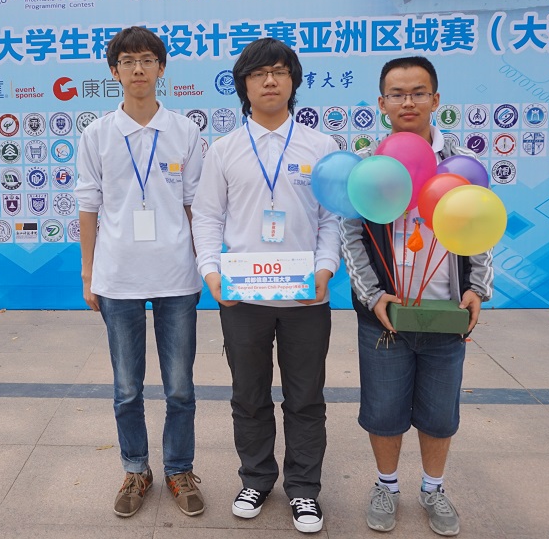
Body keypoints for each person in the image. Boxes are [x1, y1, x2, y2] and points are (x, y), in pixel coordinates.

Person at [191, 38, 341, 533]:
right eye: (258, 74)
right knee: (248, 395)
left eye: (279, 71)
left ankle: (304, 490)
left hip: (306, 297)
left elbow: (331, 219)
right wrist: (212, 274)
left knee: (306, 398)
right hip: (242, 297)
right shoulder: (224, 150)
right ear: (244, 86)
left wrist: (324, 270)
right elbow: (207, 217)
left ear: (293, 80)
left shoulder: (321, 147)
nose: (270, 81)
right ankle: (255, 478)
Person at [340, 56, 494, 537]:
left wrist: (476, 289)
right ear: (381, 102)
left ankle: (433, 488)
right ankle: (386, 486)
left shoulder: (459, 165)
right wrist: (371, 296)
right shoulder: (369, 167)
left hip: (446, 314)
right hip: (385, 315)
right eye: (397, 94)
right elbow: (350, 235)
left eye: (418, 92)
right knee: (383, 411)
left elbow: (480, 229)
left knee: (440, 414)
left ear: (436, 99)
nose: (408, 102)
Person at [75, 25, 206, 518]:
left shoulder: (185, 131)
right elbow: (88, 206)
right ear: (114, 71)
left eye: (147, 60)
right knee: (127, 388)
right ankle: (136, 469)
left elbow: (195, 205)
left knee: (180, 387)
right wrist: (88, 273)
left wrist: (205, 263)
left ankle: (178, 469)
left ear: (161, 68)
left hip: (176, 274)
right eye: (127, 61)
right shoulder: (98, 134)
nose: (138, 69)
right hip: (119, 276)